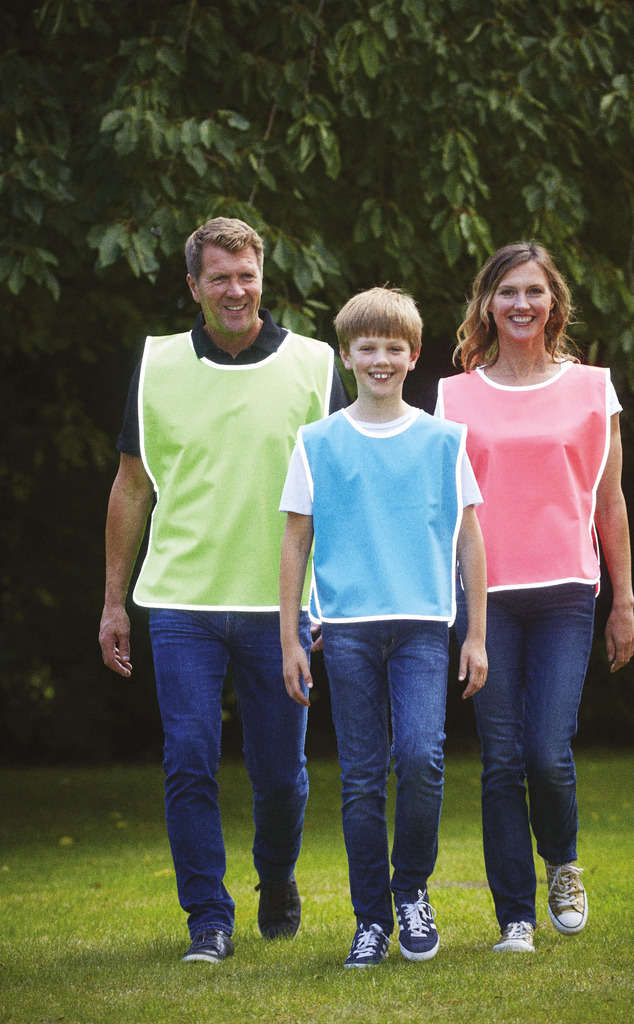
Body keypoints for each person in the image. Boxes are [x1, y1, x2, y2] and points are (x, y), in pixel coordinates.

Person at [98, 217, 347, 963]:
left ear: (262, 279)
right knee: (188, 757)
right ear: (194, 286)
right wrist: (112, 600)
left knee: (281, 776)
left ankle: (276, 876)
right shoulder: (158, 364)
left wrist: (329, 597)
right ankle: (207, 917)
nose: (235, 290)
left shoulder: (314, 364)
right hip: (182, 600)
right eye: (219, 278)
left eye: (246, 276)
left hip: (282, 606)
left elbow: (339, 490)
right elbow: (132, 486)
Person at [437, 242, 634, 954]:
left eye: (533, 291)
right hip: (484, 601)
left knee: (547, 752)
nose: (520, 304)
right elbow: (440, 511)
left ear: (554, 303)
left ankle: (562, 864)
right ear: (486, 305)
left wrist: (623, 602)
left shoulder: (593, 389)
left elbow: (609, 502)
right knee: (500, 758)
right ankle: (514, 918)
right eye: (507, 292)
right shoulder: (453, 397)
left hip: (565, 595)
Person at [279, 286, 488, 968]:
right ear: (346, 356)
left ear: (413, 355)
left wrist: (476, 635)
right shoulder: (317, 442)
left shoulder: (443, 439)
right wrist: (290, 637)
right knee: (363, 777)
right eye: (366, 347)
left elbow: (469, 540)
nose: (380, 359)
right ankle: (369, 919)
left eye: (393, 348)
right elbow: (295, 542)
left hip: (423, 627)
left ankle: (411, 891)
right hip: (346, 630)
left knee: (422, 758)